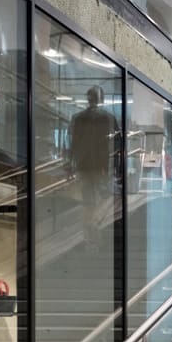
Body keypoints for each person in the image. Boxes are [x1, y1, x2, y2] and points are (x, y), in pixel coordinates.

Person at [70, 87, 118, 250]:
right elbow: (116, 144)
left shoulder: (78, 118)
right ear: (101, 99)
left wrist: (70, 164)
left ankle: (89, 235)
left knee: (88, 200)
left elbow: (73, 143)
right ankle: (94, 226)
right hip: (101, 165)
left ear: (88, 99)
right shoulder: (108, 118)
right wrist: (116, 167)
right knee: (104, 197)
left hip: (83, 165)